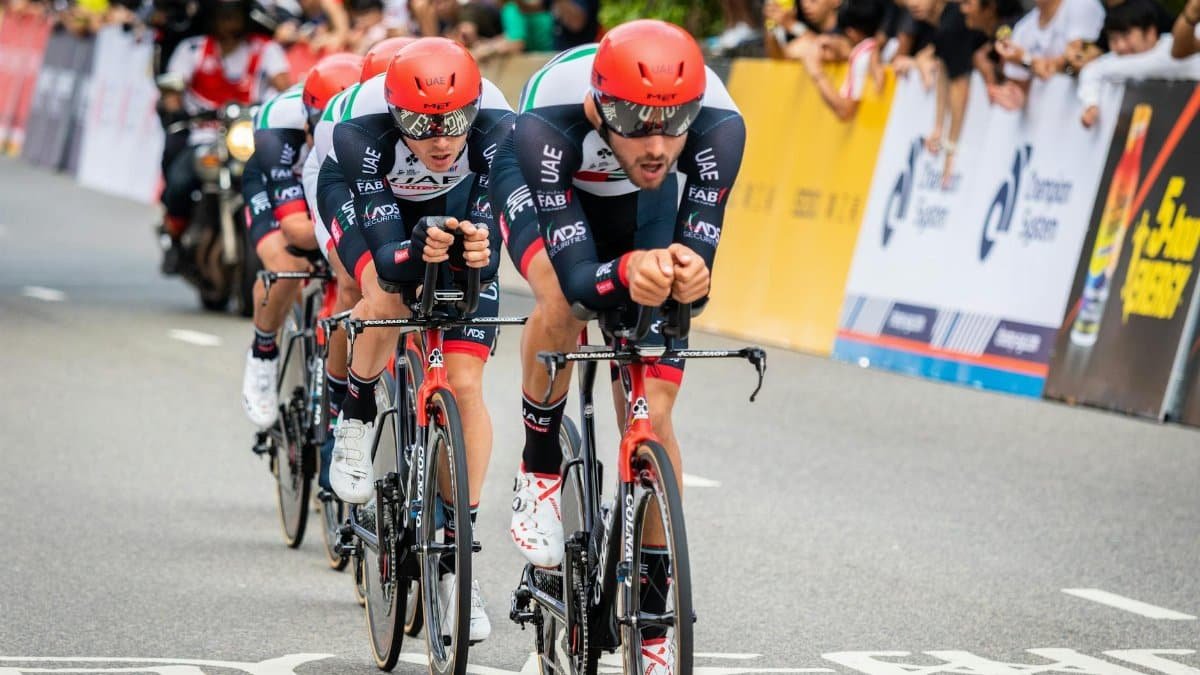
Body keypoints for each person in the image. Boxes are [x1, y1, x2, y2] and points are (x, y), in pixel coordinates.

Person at [489, 20, 745, 673]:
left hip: (643, 208)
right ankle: (540, 462)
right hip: (553, 193)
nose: (658, 144)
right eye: (636, 122)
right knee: (559, 301)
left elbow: (696, 268)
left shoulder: (718, 126)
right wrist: (623, 274)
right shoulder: (549, 121)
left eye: (672, 123)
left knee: (654, 416)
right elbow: (582, 283)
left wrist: (691, 274)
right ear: (598, 107)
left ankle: (656, 625)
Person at [321, 37, 512, 642]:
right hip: (369, 209)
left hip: (453, 210)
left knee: (462, 384)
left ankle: (460, 563)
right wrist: (413, 249)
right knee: (382, 287)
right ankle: (353, 419)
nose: (441, 139)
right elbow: (388, 253)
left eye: (456, 123)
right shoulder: (360, 129)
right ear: (395, 113)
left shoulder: (501, 129)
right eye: (423, 126)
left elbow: (494, 233)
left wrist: (474, 250)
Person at [302, 36, 414, 489]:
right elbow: (352, 200)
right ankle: (337, 408)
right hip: (342, 186)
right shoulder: (350, 117)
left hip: (408, 185)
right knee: (356, 281)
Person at [241, 52, 363, 428]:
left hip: (335, 183)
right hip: (278, 184)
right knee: (289, 263)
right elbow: (296, 230)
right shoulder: (279, 126)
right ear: (308, 119)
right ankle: (263, 352)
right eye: (320, 123)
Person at [158, 0, 292, 273]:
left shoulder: (266, 49)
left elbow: (284, 86)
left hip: (249, 135)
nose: (229, 22)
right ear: (212, 19)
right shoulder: (192, 49)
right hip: (203, 137)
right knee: (180, 182)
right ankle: (173, 237)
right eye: (222, 16)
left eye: (234, 15)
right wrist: (175, 110)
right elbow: (173, 91)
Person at [1079, 0, 1200, 126]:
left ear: (1150, 32)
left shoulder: (1169, 49)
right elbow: (1092, 69)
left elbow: (1097, 69)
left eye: (1126, 36)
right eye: (1114, 39)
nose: (1121, 46)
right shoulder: (1118, 60)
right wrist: (1090, 104)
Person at [993, 0, 1104, 91]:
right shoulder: (1022, 28)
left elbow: (1075, 62)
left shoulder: (1082, 4)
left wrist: (1025, 60)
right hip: (1047, 115)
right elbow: (1019, 90)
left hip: (1088, 111)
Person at [801, 0, 885, 120]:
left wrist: (817, 72)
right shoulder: (879, 47)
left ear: (851, 33)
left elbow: (845, 111)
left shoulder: (861, 55)